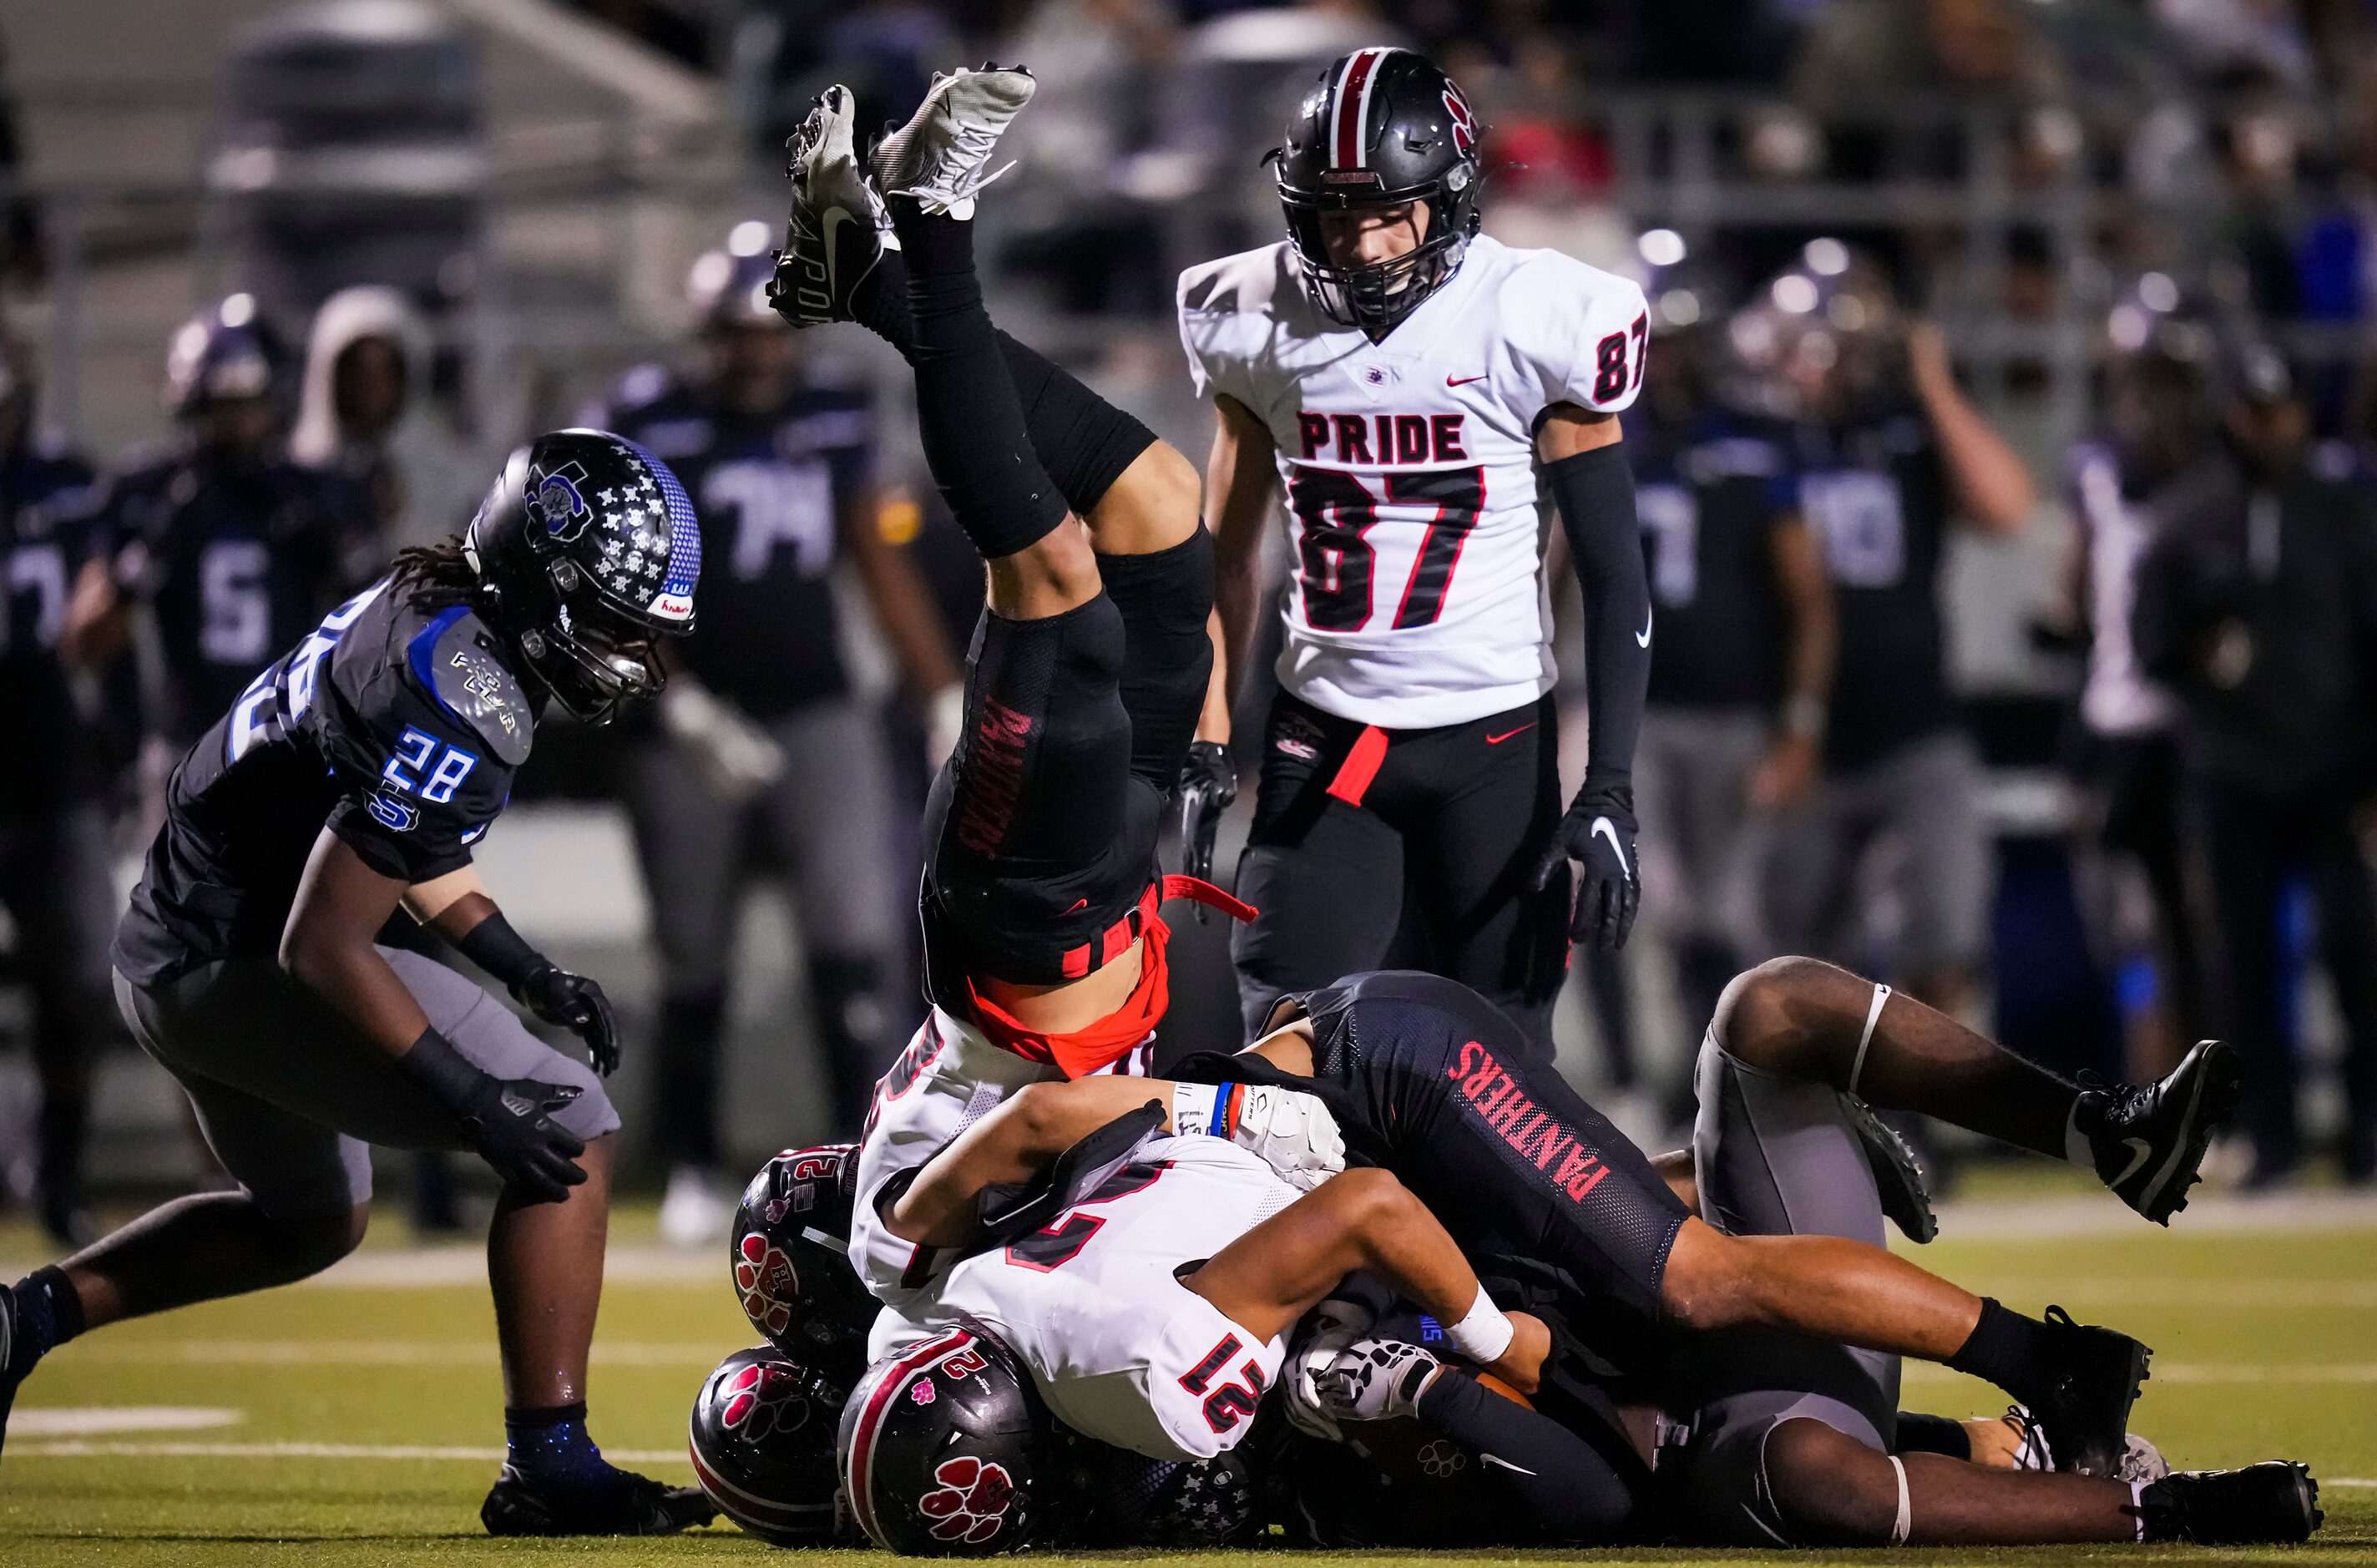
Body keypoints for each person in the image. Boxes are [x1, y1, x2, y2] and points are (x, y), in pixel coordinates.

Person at [0, 431, 716, 1536]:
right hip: (240, 960)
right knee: (568, 1126)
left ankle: (23, 1322)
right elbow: (323, 943)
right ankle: (550, 1462)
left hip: (175, 947)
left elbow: (398, 846)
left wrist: (523, 968)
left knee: (311, 1218)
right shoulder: (467, 686)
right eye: (619, 624)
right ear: (543, 580)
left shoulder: (432, 602)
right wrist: (474, 1099)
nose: (635, 655)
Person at [1279, 959, 2314, 1549]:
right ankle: (2167, 1506)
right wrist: (1435, 1382)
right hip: (1726, 1433)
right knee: (1807, 1471)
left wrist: (1704, 1164)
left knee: (1769, 1007)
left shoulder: (1345, 1211)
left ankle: (2101, 1133)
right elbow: (1582, 1486)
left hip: (1748, 1316)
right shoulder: (1346, 1387)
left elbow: (1580, 1218)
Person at [765, 69, 1237, 1282]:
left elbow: (1038, 1133)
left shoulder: (900, 1249)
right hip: (1112, 877)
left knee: (1050, 572)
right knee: (1158, 504)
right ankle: (863, 282)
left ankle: (928, 222)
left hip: (1028, 914)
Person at [1184, 45, 1656, 1054]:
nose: (1360, 247)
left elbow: (1615, 570)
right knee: (1280, 1064)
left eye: (1385, 213)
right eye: (1334, 217)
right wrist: (1208, 728)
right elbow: (1226, 553)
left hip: (1491, 744)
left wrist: (1609, 784)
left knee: (1500, 1082)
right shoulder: (1250, 314)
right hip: (1328, 742)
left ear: (1448, 200)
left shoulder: (1537, 315)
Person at [592, 228, 962, 1242]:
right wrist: (677, 701)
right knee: (692, 955)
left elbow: (872, 558)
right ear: (705, 336)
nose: (755, 355)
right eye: (736, 337)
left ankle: (869, 1159)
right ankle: (696, 1162)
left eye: (769, 335)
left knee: (854, 940)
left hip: (818, 707)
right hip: (688, 715)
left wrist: (940, 692)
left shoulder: (833, 414)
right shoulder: (647, 420)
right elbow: (606, 579)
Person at [1744, 245, 2036, 1024]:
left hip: (1916, 725)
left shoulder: (1906, 431)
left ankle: (1920, 1126)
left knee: (1942, 942)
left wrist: (1934, 383)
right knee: (1794, 964)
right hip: (1798, 736)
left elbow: (2008, 508)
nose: (1828, 364)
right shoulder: (1751, 445)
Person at [2133, 341, 2377, 1185]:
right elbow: (2151, 643)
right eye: (2254, 411)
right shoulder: (2191, 515)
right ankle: (2266, 1142)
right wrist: (2202, 655)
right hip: (2230, 771)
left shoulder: (2346, 512)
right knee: (2241, 968)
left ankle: (2366, 1138)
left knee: (2358, 952)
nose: (2269, 427)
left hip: (2336, 768)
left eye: (2281, 410)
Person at [1625, 247, 1834, 1052]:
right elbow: (1553, 574)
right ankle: (1657, 1085)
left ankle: (1734, 1080)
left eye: (1681, 340)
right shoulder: (1604, 435)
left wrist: (1800, 722)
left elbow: (1807, 596)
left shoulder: (1756, 439)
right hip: (1639, 716)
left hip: (1738, 712)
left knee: (1737, 917)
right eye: (1658, 340)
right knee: (1653, 907)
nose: (1670, 359)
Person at [68, 296, 377, 754]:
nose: (239, 421)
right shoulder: (154, 491)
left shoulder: (316, 492)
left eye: (250, 403)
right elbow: (84, 644)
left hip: (292, 741)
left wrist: (336, 556)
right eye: (225, 404)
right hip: (185, 744)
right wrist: (139, 566)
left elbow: (376, 636)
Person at [2061, 294, 2214, 1078]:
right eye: (2137, 380)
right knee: (2132, 932)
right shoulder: (2094, 471)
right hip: (2115, 724)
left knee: (2206, 923)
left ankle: (2226, 1113)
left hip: (2203, 729)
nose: (2150, 402)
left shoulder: (2222, 476)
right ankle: (2156, 1111)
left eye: (2165, 381)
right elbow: (2072, 599)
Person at [0, 333, 110, 1245]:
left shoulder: (68, 484)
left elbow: (108, 626)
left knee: (77, 985)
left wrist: (113, 746)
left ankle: (60, 1177)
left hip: (51, 772)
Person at [289, 283, 485, 560]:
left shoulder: (457, 482)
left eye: (386, 371)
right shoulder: (292, 484)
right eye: (356, 371)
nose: (371, 387)